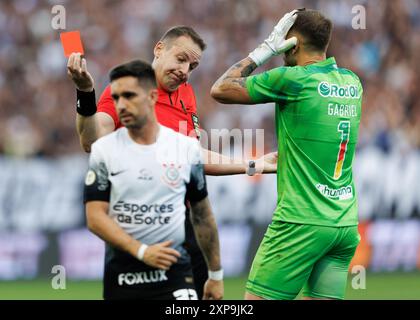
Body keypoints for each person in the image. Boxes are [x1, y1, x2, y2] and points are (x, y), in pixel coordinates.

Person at [68, 26, 277, 299]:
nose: (185, 70)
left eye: (193, 66)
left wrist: (252, 165)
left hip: (185, 224)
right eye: (181, 59)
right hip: (139, 225)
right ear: (159, 49)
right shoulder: (128, 89)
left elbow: (192, 155)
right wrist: (85, 94)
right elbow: (91, 141)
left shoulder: (186, 95)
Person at [211, 9, 363, 300]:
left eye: (283, 42)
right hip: (344, 224)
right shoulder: (352, 83)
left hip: (301, 221)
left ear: (292, 44)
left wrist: (264, 50)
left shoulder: (293, 79)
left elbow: (220, 89)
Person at [83, 59, 223, 300]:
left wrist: (216, 275)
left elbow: (202, 215)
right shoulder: (104, 151)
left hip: (176, 275)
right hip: (124, 277)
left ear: (151, 97)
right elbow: (95, 218)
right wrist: (142, 251)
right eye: (116, 98)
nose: (121, 105)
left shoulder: (185, 149)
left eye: (129, 96)